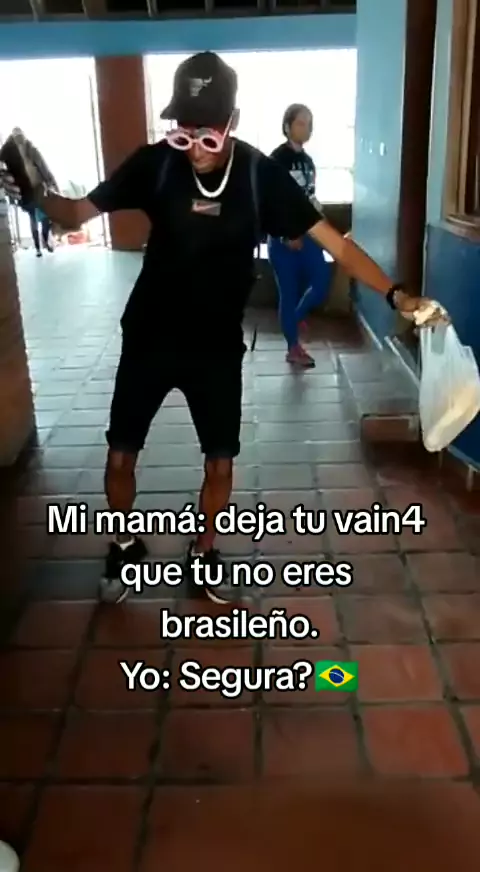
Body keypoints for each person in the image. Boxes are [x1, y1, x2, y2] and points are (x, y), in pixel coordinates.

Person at [0, 51, 444, 607]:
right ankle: (123, 543)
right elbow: (76, 214)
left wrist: (397, 295)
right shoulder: (156, 164)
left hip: (214, 348)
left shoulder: (261, 177)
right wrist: (34, 193)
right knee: (119, 456)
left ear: (232, 121)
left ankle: (204, 551)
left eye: (207, 132)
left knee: (220, 464)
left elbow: (338, 244)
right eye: (183, 130)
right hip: (150, 337)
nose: (194, 146)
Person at [268, 104, 332, 367]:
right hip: (283, 240)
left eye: (310, 123)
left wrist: (323, 224)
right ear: (287, 126)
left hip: (308, 236)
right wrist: (285, 235)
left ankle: (294, 319)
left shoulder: (308, 162)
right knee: (289, 291)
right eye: (301, 123)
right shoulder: (275, 160)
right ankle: (293, 347)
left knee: (322, 281)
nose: (307, 128)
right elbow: (269, 203)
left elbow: (309, 199)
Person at [2, 128, 57, 256]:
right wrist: (12, 194)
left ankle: (45, 240)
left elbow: (43, 166)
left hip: (38, 187)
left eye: (21, 136)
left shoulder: (30, 149)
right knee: (33, 217)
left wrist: (51, 183)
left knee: (44, 217)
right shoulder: (7, 153)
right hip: (25, 190)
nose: (20, 139)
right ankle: (38, 247)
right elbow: (5, 174)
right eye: (17, 137)